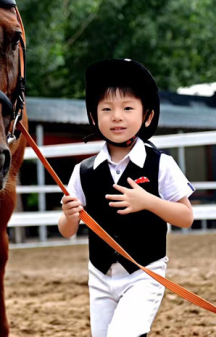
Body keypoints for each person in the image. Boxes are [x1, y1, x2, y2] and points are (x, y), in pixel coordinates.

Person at [58, 58, 195, 337]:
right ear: (94, 117)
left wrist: (148, 202)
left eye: (127, 108)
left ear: (147, 116)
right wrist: (70, 215)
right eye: (106, 109)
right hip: (99, 277)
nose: (116, 116)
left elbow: (186, 217)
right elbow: (67, 231)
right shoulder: (82, 171)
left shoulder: (161, 164)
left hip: (145, 273)